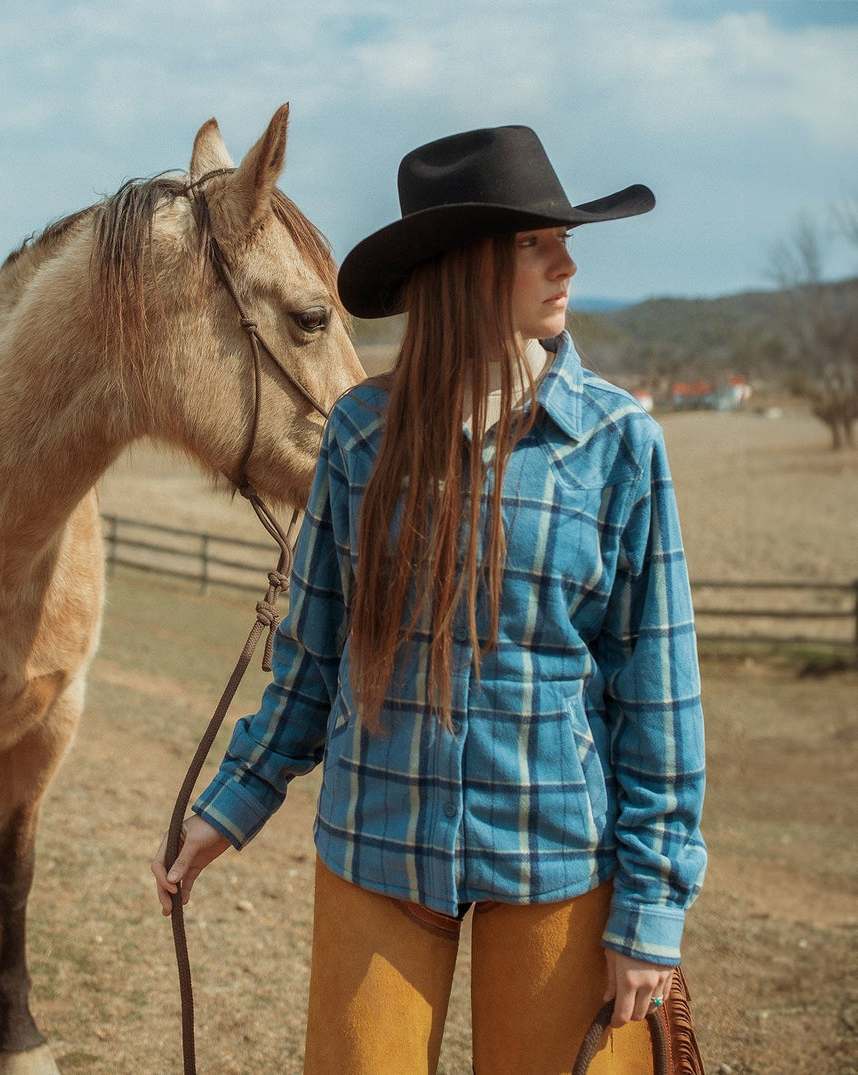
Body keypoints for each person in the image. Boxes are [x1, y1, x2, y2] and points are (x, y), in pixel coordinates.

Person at [153, 125, 706, 1074]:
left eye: (562, 240)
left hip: (556, 854)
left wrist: (652, 910)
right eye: (538, 243)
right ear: (467, 266)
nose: (568, 262)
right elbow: (314, 653)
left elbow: (656, 697)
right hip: (377, 839)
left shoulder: (619, 444)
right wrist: (234, 801)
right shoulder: (363, 435)